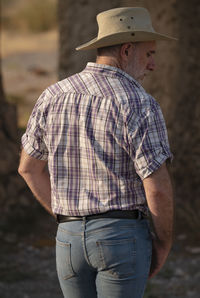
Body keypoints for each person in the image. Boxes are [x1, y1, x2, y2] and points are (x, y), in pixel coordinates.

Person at [18, 7, 176, 298]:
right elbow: (158, 190)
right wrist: (164, 242)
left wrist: (70, 218)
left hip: (68, 240)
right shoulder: (140, 103)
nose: (152, 65)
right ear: (127, 50)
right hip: (121, 238)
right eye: (150, 54)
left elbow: (28, 168)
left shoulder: (53, 95)